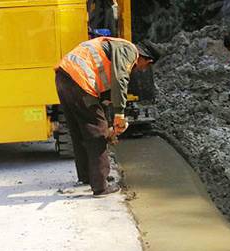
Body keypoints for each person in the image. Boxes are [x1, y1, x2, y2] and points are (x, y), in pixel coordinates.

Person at [55, 37, 160, 196]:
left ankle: (87, 176)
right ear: (147, 59)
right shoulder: (129, 50)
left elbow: (103, 98)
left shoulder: (112, 49)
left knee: (80, 130)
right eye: (146, 67)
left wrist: (111, 125)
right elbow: (120, 79)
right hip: (80, 80)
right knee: (97, 133)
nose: (142, 70)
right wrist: (119, 114)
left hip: (64, 77)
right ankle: (100, 186)